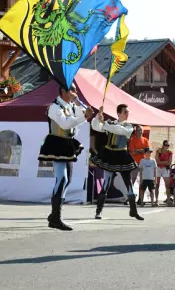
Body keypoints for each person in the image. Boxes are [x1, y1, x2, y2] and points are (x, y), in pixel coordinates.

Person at [38, 84, 95, 230]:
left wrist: (87, 113)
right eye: (73, 90)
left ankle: (54, 215)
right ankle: (56, 218)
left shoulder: (71, 106)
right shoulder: (54, 107)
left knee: (68, 180)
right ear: (63, 91)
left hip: (68, 143)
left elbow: (80, 118)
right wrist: (84, 116)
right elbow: (65, 124)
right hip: (57, 143)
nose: (76, 92)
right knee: (62, 179)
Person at [90, 103, 144, 222]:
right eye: (125, 112)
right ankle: (98, 211)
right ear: (118, 113)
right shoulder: (110, 123)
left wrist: (104, 123)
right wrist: (98, 116)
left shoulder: (129, 127)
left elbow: (119, 130)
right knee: (106, 184)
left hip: (122, 155)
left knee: (128, 183)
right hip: (109, 154)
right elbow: (95, 127)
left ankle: (133, 211)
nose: (127, 114)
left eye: (128, 112)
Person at [156, 140, 173, 205]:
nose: (167, 146)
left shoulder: (170, 152)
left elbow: (169, 162)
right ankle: (156, 200)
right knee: (157, 185)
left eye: (168, 145)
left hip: (165, 169)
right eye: (165, 145)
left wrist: (162, 162)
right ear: (163, 145)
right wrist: (165, 162)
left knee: (167, 185)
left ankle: (168, 200)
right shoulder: (159, 151)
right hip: (158, 168)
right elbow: (157, 161)